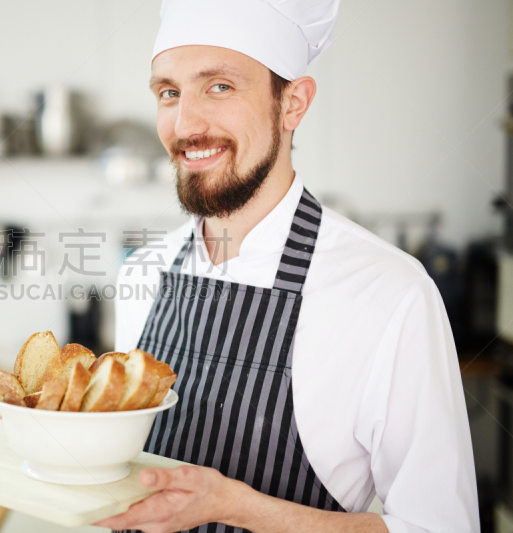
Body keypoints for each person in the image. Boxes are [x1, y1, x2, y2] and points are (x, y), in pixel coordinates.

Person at [95, 0, 480, 531]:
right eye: (169, 92)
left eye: (220, 86)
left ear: (292, 103)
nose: (185, 124)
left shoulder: (390, 294)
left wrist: (237, 508)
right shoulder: (142, 273)